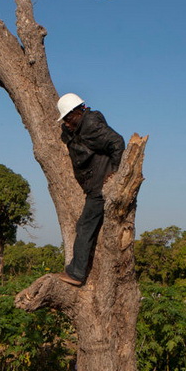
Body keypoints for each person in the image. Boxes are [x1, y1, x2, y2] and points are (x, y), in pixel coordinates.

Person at [56, 93, 125, 286]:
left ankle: (77, 273)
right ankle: (76, 270)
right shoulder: (82, 124)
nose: (67, 124)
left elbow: (117, 143)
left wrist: (115, 176)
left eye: (69, 119)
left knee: (85, 228)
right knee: (85, 226)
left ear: (78, 112)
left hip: (99, 188)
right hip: (94, 186)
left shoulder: (91, 126)